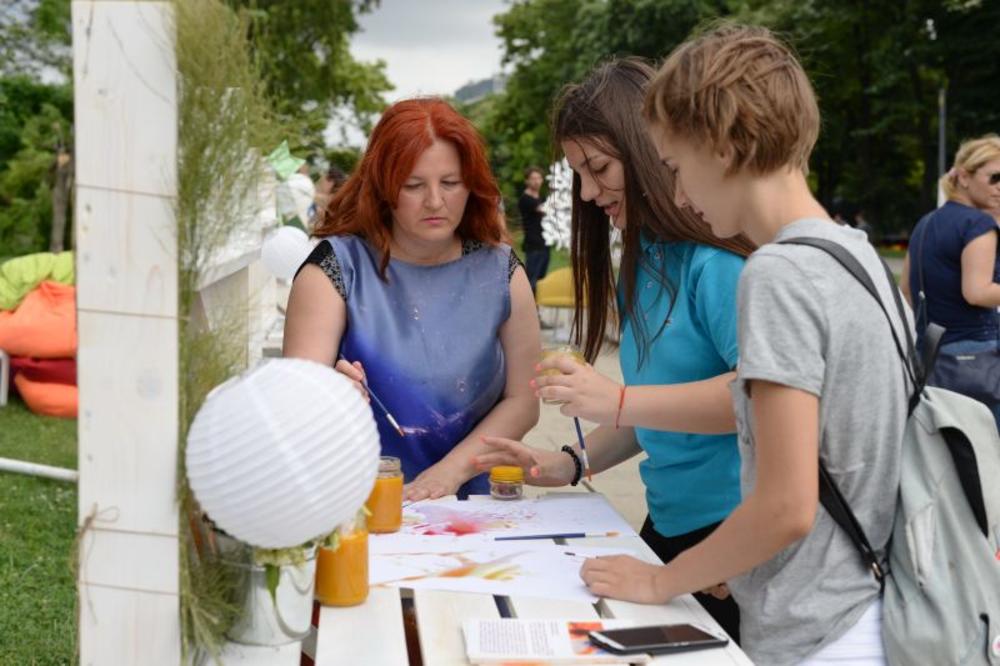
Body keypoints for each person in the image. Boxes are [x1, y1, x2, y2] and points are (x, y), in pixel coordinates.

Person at [575, 25, 912, 665]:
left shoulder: (777, 274)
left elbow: (785, 505)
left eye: (676, 166)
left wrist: (659, 579)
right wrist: (737, 562)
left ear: (725, 147)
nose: (676, 195)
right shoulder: (859, 257)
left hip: (817, 631)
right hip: (869, 608)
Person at [474, 58, 755, 642]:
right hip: (670, 527)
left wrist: (617, 398)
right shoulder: (643, 260)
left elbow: (758, 397)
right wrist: (571, 462)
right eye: (577, 171)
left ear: (651, 149)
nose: (586, 191)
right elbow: (655, 415)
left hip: (736, 545)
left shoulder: (717, 263)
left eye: (598, 168)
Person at [283, 98, 541, 500]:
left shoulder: (502, 271)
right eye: (414, 185)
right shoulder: (334, 269)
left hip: (478, 510)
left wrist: (448, 474)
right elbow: (294, 408)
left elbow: (524, 400)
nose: (435, 201)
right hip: (356, 506)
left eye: (450, 183)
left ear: (472, 185)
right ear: (384, 188)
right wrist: (327, 394)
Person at [900, 134, 1000, 427]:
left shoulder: (926, 222)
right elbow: (977, 292)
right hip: (976, 358)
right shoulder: (977, 224)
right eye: (994, 177)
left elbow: (906, 291)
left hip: (931, 358)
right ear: (965, 177)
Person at [518, 166, 550, 294]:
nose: (536, 181)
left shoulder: (541, 198)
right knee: (531, 280)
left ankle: (537, 308)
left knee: (541, 280)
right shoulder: (525, 199)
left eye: (539, 178)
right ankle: (527, 309)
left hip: (545, 243)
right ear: (527, 181)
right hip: (533, 244)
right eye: (533, 178)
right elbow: (545, 210)